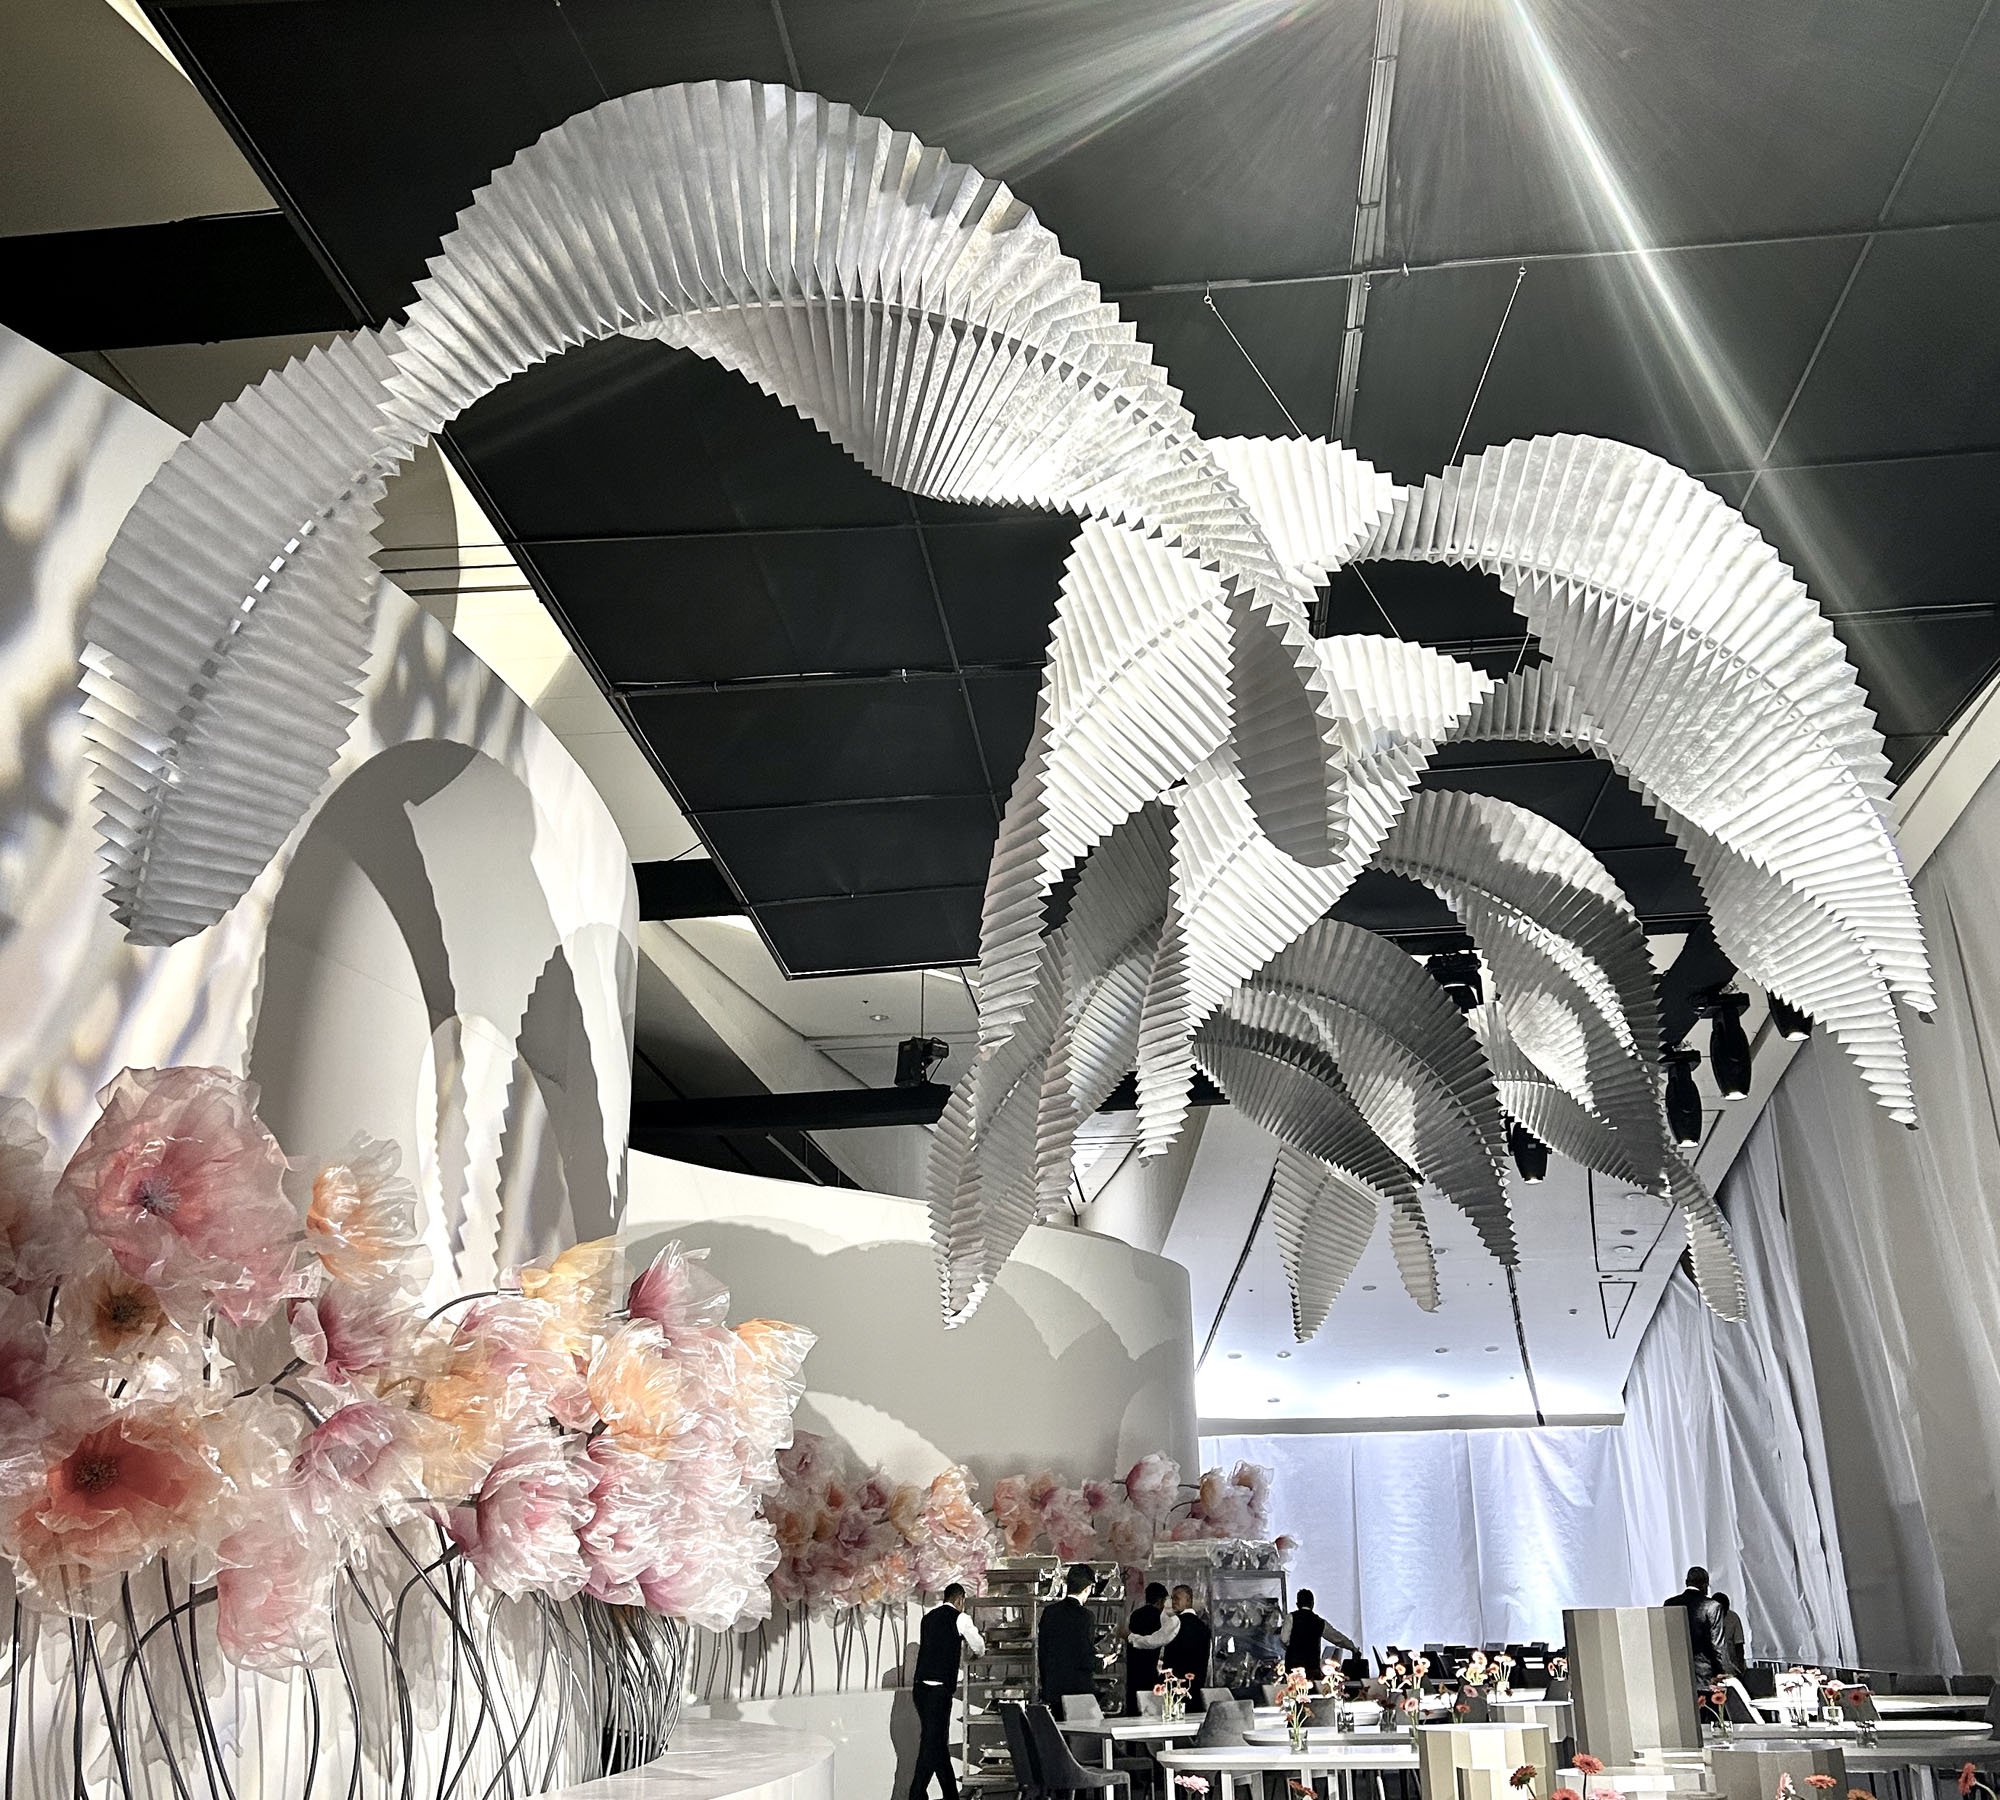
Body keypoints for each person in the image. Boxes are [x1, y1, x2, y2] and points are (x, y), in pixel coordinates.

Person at [910, 1582, 986, 1800]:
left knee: (936, 1743)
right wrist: (975, 1655)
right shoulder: (960, 1618)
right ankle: (915, 1795)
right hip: (939, 1691)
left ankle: (951, 1796)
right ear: (960, 1599)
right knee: (931, 1744)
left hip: (920, 1689)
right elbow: (978, 1645)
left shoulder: (928, 1618)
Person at [1038, 1564, 1101, 1710]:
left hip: (1053, 1690)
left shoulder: (1049, 1612)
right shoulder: (1086, 1616)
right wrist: (1101, 1662)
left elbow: (1043, 1653)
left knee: (1058, 1732)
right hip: (1079, 1692)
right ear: (1088, 1588)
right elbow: (1084, 1657)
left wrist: (1046, 1685)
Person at [1664, 1565, 1726, 1683]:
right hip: (1705, 1672)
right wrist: (1720, 1671)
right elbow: (1717, 1644)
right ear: (1705, 1584)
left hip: (1676, 1669)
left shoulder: (1669, 1604)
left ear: (1686, 1582)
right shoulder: (1713, 1606)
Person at [1125, 1581, 1179, 1712]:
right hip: (1151, 1671)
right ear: (1161, 1601)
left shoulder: (1135, 1615)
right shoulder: (1160, 1618)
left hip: (1133, 1671)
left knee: (1133, 1712)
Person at [1284, 1589, 1359, 1678]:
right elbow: (1337, 1638)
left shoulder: (1291, 1617)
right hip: (1312, 1668)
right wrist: (1352, 1647)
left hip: (1293, 1669)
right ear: (1312, 1603)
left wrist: (1293, 1647)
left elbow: (1284, 1639)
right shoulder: (1320, 1622)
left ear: (1297, 1604)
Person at [1160, 1584, 1213, 1707]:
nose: (1173, 1602)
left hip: (1175, 1689)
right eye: (1172, 1598)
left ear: (1188, 1600)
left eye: (1177, 1598)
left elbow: (1168, 1659)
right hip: (1197, 1688)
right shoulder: (1204, 1628)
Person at [1712, 1592, 1747, 1679]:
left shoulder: (1733, 1617)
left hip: (1732, 1669)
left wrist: (1740, 1667)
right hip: (1713, 1671)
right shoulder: (1706, 1619)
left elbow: (1739, 1644)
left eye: (1725, 1610)